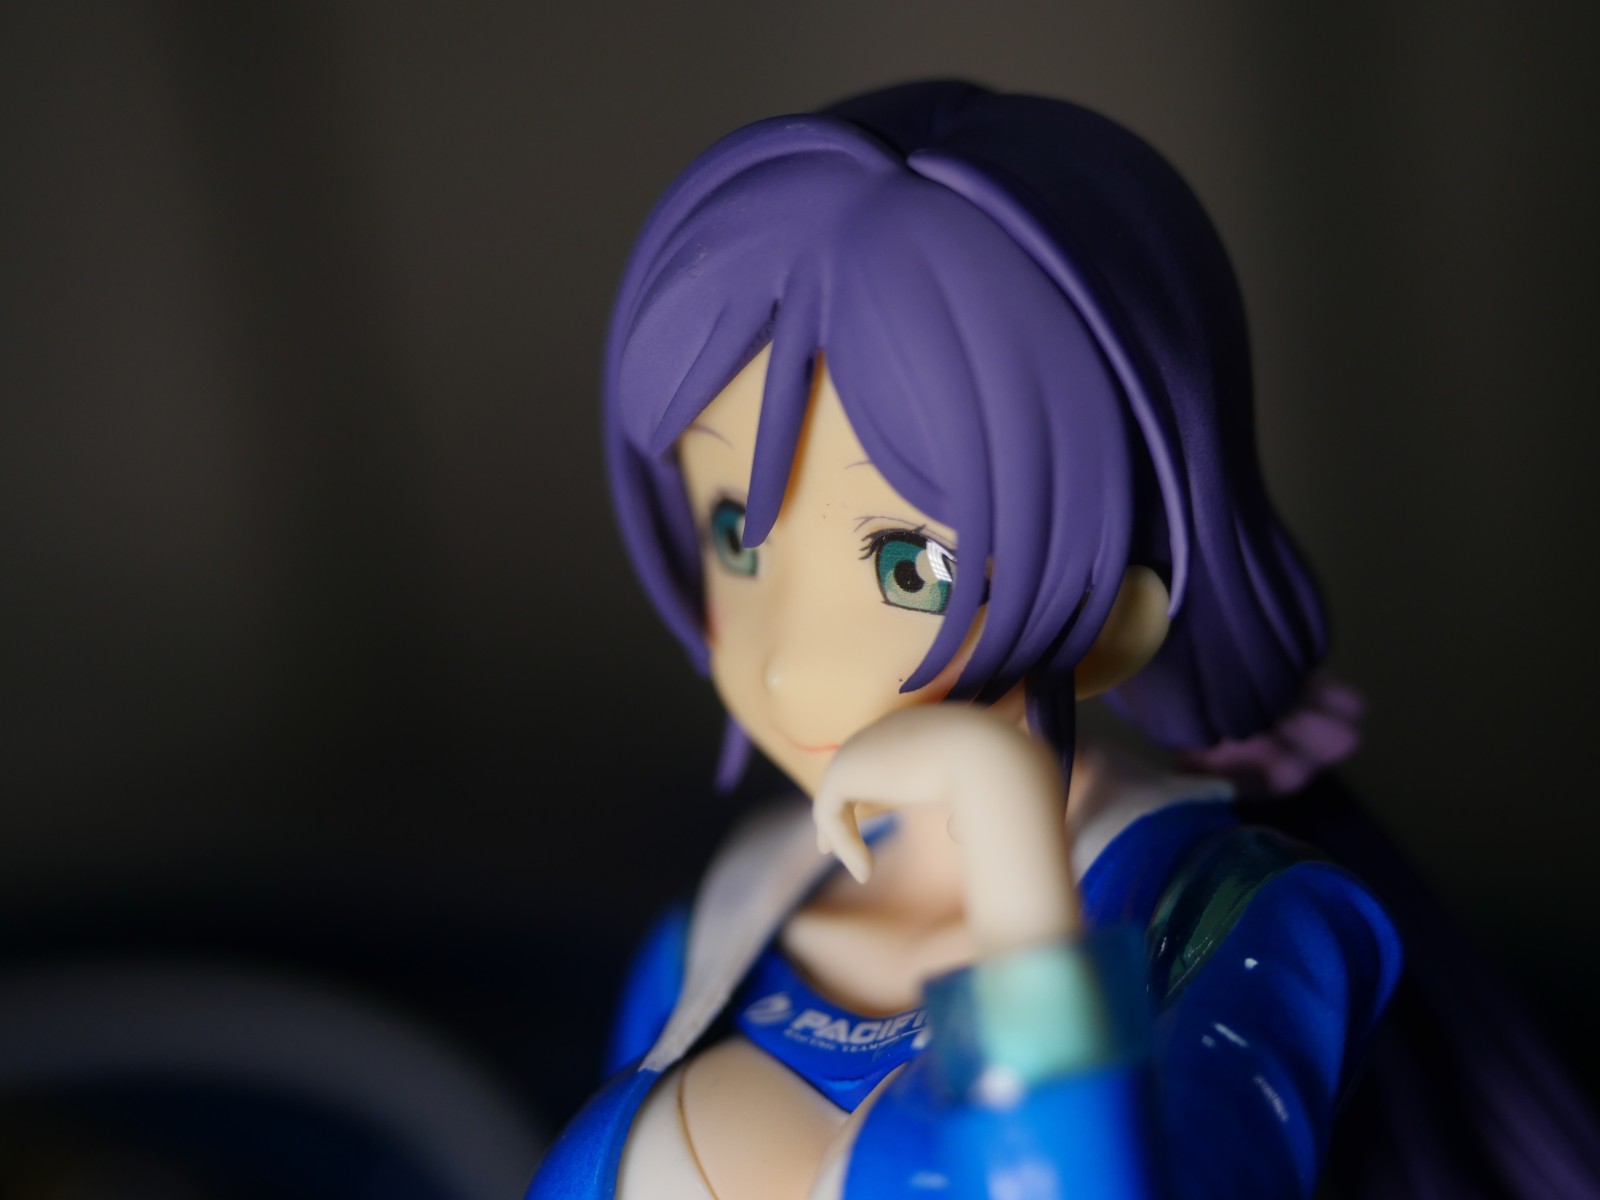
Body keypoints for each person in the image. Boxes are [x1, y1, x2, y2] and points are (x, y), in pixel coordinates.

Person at [529, 80, 1404, 1199]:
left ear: (1115, 615)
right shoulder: (714, 937)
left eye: (910, 567)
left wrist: (1008, 841)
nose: (787, 662)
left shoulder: (1239, 923)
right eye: (739, 533)